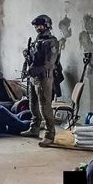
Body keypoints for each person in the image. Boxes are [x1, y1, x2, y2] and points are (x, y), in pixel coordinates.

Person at [20, 14, 60, 147]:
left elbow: (49, 63)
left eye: (40, 25)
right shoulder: (38, 40)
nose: (38, 28)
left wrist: (34, 70)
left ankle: (49, 135)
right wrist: (27, 53)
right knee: (33, 104)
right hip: (34, 77)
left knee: (44, 107)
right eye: (36, 26)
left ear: (47, 25)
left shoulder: (51, 42)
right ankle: (34, 128)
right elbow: (35, 56)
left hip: (44, 78)